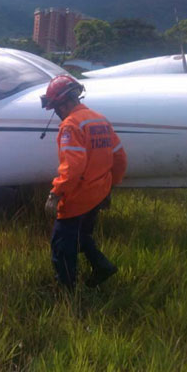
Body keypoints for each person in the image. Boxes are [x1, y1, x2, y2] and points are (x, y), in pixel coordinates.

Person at [41, 75, 127, 291]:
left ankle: (67, 293)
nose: (57, 113)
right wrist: (109, 187)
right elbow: (120, 158)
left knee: (62, 244)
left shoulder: (71, 125)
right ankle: (101, 266)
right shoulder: (100, 120)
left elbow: (73, 168)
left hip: (78, 197)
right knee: (81, 236)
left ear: (64, 102)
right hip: (98, 193)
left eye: (56, 107)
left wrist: (55, 194)